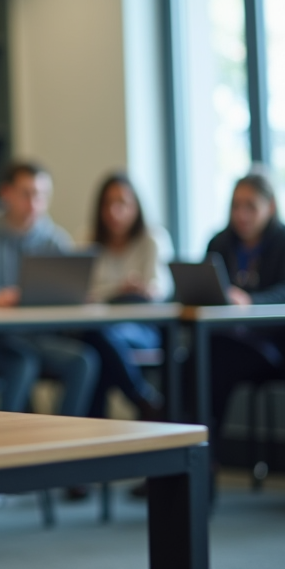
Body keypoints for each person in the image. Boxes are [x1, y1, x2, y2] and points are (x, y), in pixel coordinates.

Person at [0, 161, 100, 421]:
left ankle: (64, 444)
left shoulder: (53, 238)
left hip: (36, 338)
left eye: (41, 196)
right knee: (22, 362)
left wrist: (79, 296)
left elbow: (75, 285)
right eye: (26, 194)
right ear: (5, 193)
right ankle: (7, 444)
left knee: (83, 361)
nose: (34, 204)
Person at [204, 172, 285, 511]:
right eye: (236, 206)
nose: (242, 215)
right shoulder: (220, 243)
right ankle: (200, 467)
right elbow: (204, 288)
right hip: (245, 345)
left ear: (271, 207)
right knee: (202, 364)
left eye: (250, 206)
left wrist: (250, 301)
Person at [82, 172, 173, 421]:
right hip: (100, 328)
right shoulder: (90, 243)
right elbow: (81, 292)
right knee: (94, 346)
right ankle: (142, 398)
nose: (114, 211)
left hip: (142, 328)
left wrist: (138, 290)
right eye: (108, 203)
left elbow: (160, 289)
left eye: (122, 203)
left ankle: (95, 430)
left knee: (97, 343)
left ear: (136, 207)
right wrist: (118, 290)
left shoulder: (152, 240)